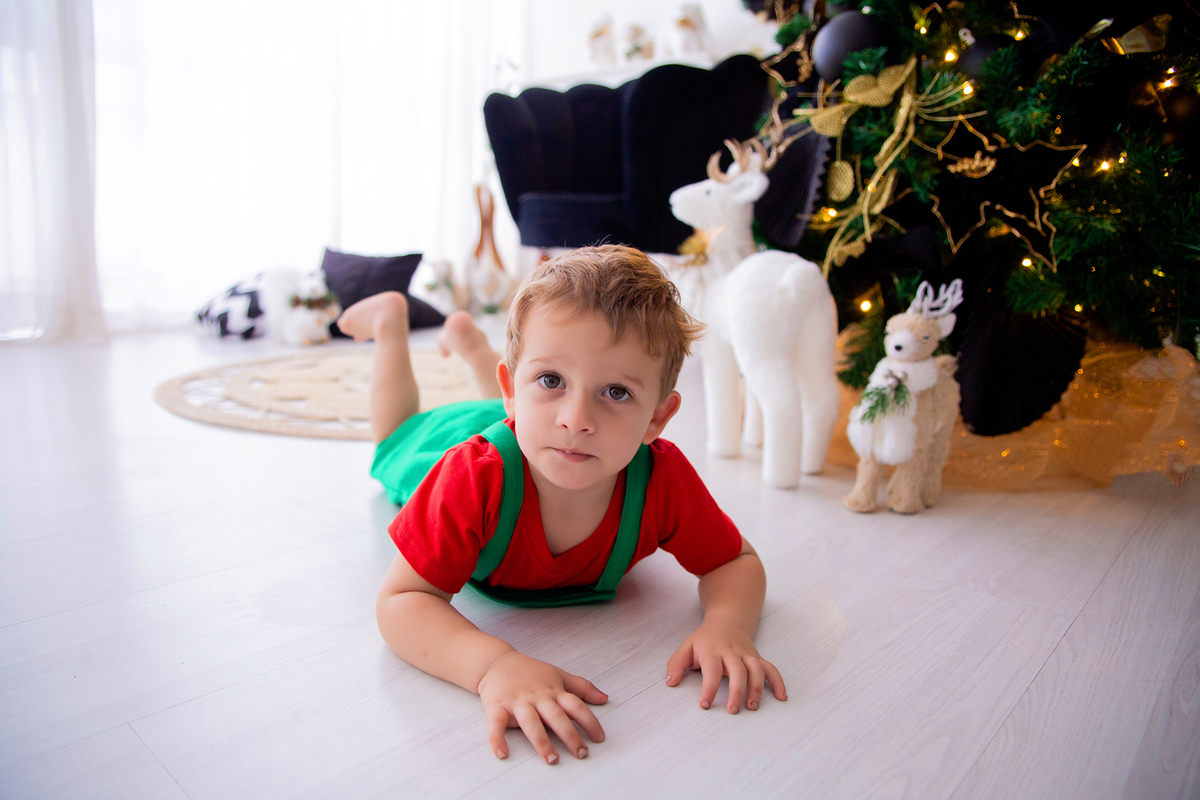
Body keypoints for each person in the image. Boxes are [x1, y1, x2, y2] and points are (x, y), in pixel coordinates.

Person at [336, 245, 787, 766]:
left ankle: (479, 351)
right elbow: (401, 602)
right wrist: (491, 666)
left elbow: (735, 561)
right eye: (551, 380)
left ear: (657, 420)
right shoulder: (470, 477)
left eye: (615, 392)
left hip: (529, 432)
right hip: (449, 445)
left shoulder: (661, 480)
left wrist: (727, 625)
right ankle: (391, 324)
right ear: (515, 389)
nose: (577, 418)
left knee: (542, 421)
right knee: (392, 437)